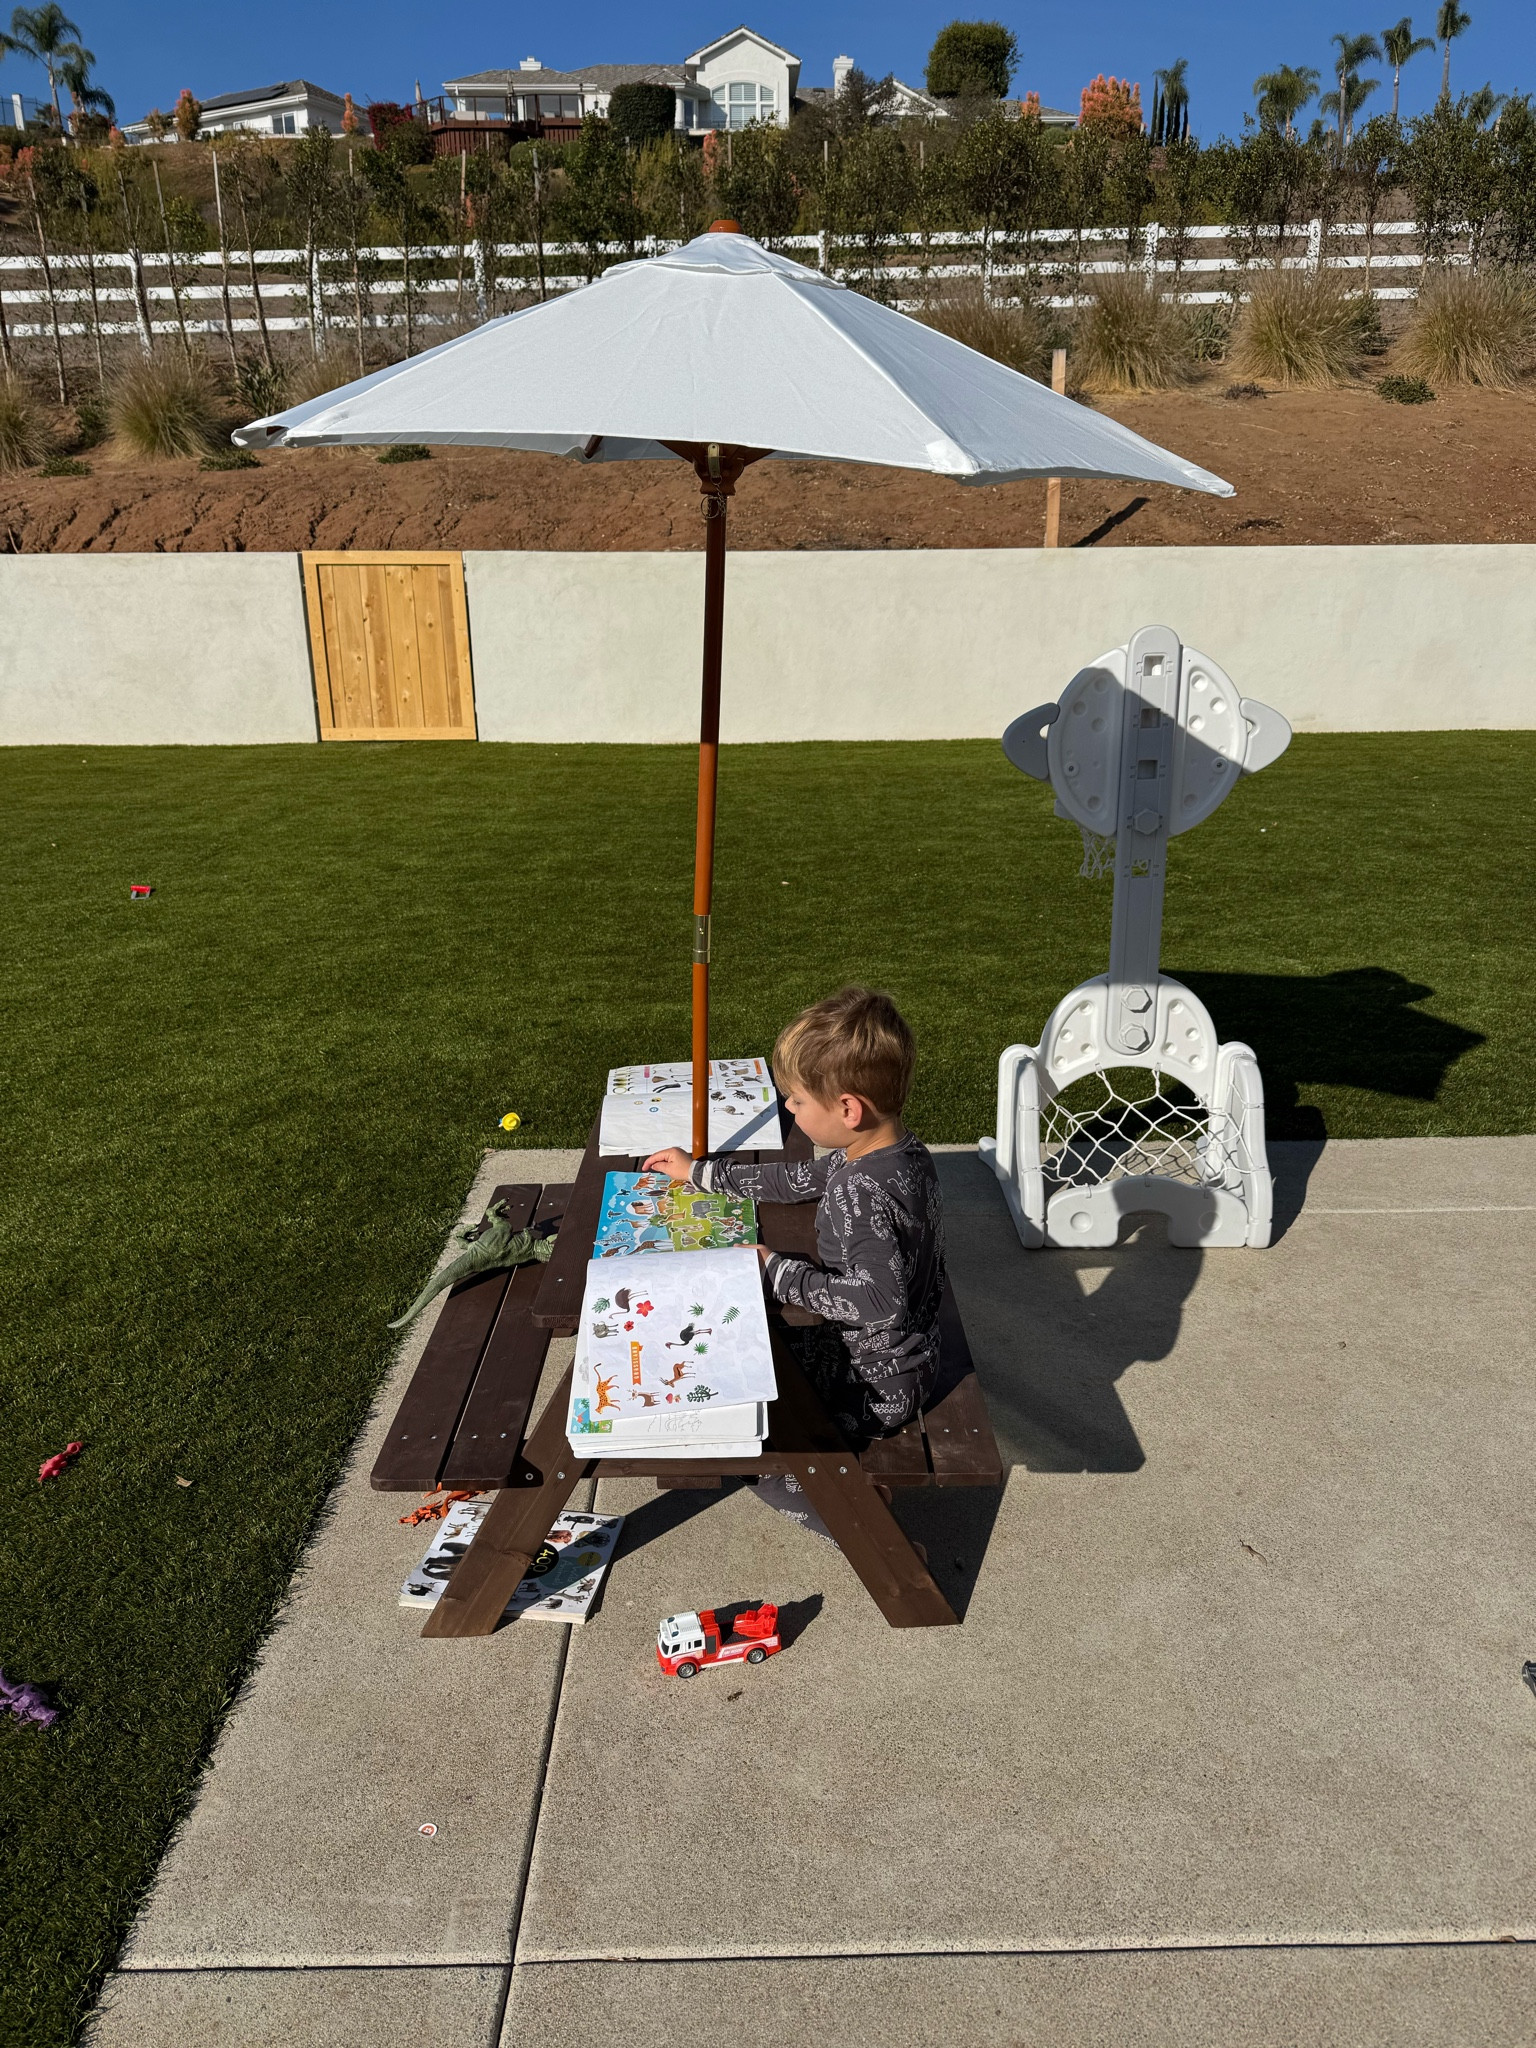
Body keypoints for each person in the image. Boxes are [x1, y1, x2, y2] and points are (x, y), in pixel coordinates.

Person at [644, 987, 945, 1534]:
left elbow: (880, 1303)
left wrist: (777, 1271)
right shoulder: (895, 1152)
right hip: (909, 1357)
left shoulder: (860, 1189)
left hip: (870, 1382)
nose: (788, 1108)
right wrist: (701, 1174)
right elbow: (799, 1179)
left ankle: (863, 1525)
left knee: (738, 1430)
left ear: (848, 1109)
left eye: (798, 1101)